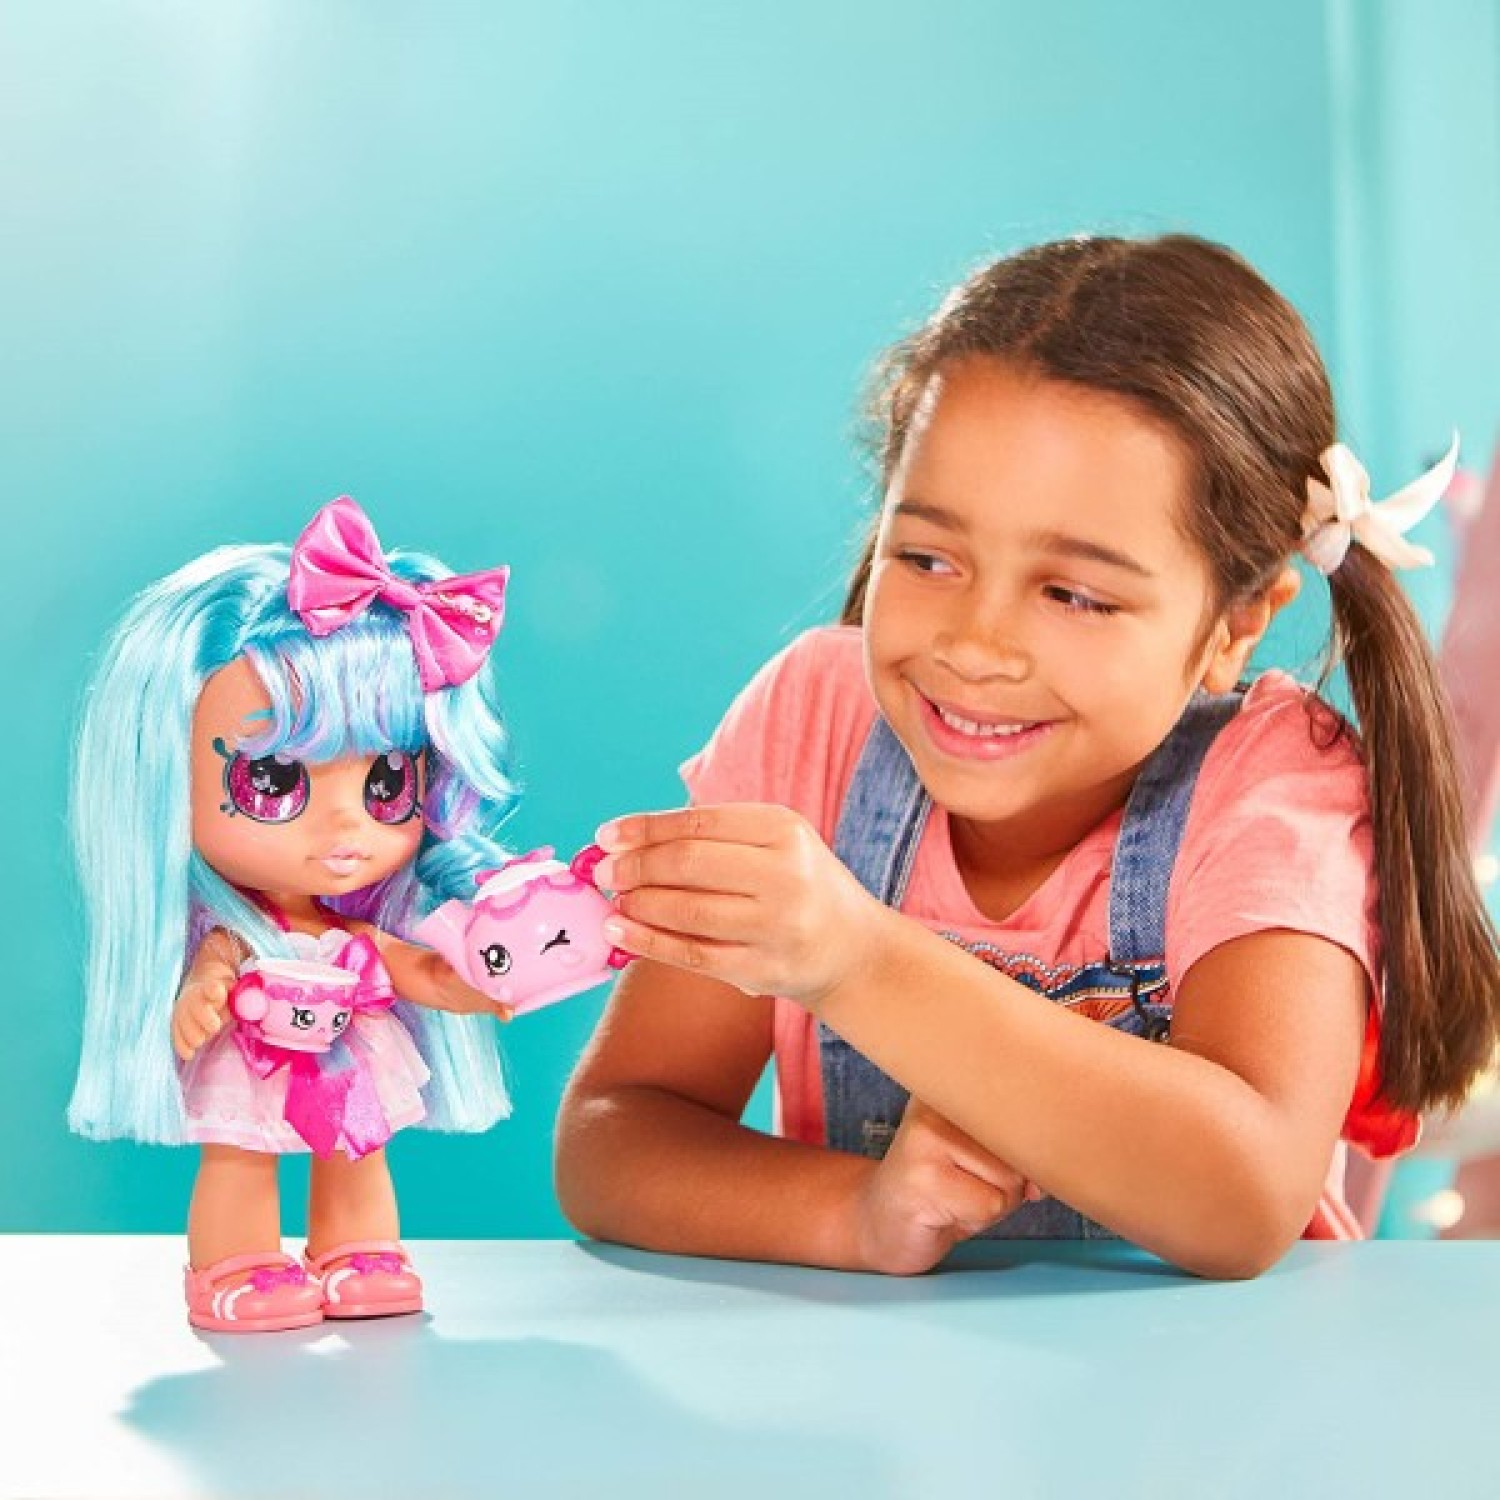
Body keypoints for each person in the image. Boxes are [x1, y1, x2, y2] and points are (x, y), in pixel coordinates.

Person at [554, 233, 1500, 1279]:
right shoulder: (811, 722)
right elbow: (616, 1134)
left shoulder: (1275, 781)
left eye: (1074, 595)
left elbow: (1246, 1196)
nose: (974, 645)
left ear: (1237, 624)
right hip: (888, 1379)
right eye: (928, 558)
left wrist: (858, 961)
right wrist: (859, 1215)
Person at [70, 496, 516, 1330]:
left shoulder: (352, 933)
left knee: (358, 1149)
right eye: (274, 780)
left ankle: (357, 1251)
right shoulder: (236, 935)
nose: (345, 826)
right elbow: (214, 966)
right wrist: (203, 991)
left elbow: (415, 970)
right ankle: (233, 1264)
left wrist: (473, 985)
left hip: (348, 1051)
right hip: (256, 1053)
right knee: (242, 1157)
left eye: (386, 781)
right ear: (166, 780)